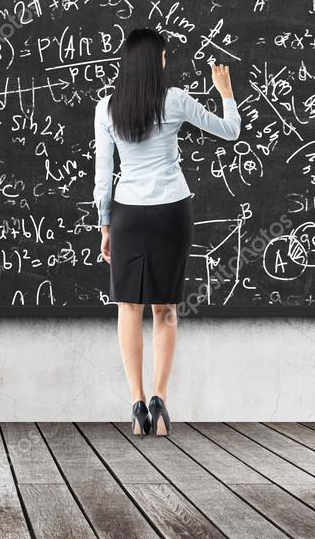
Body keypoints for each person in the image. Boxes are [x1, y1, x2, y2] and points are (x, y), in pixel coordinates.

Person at [94, 27, 240, 436]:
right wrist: (225, 90)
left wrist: (106, 226)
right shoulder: (174, 100)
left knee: (128, 307)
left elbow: (103, 176)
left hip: (128, 214)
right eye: (163, 56)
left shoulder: (107, 108)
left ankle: (136, 403)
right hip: (172, 212)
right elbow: (231, 131)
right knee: (166, 309)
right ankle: (160, 401)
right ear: (156, 61)